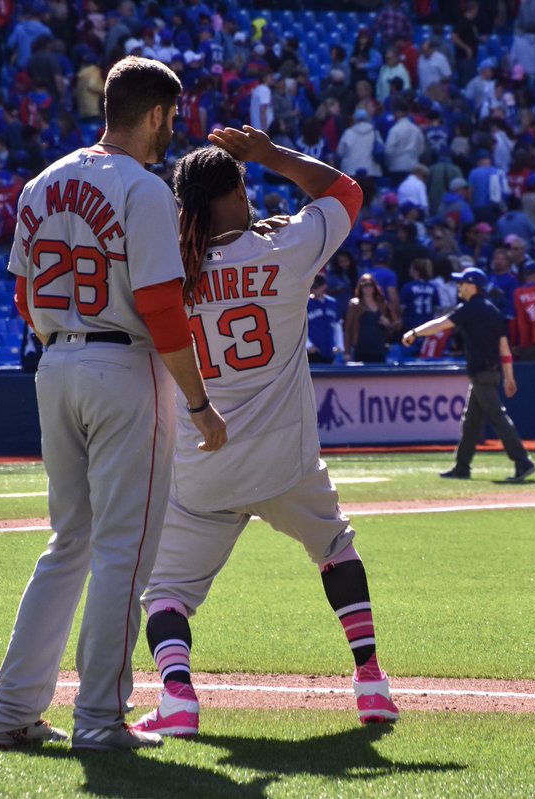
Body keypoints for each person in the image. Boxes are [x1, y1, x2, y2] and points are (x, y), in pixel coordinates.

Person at [0, 56, 227, 754]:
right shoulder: (144, 190)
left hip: (56, 362)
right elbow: (159, 305)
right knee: (124, 551)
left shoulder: (40, 182)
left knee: (69, 543)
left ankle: (10, 710)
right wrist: (200, 404)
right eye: (170, 119)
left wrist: (69, 347)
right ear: (153, 114)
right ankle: (98, 719)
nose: (171, 131)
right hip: (124, 363)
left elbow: (25, 298)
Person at [131, 126, 399, 738]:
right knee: (335, 550)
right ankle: (372, 685)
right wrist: (272, 155)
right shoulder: (285, 247)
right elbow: (346, 193)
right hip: (286, 461)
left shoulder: (167, 269)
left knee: (166, 592)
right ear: (237, 188)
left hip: (205, 461)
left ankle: (179, 701)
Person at [402, 266, 535, 483]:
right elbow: (505, 349)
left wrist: (414, 333)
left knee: (498, 417)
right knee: (471, 422)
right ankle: (462, 466)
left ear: (472, 285)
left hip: (482, 373)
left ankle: (523, 461)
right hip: (489, 373)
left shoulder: (471, 307)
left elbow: (441, 324)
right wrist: (509, 377)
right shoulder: (493, 310)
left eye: (462, 282)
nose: (458, 286)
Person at [344, 273, 398, 363]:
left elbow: (395, 326)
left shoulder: (382, 304)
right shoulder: (354, 304)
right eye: (365, 285)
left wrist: (387, 323)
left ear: (375, 286)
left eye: (370, 285)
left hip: (379, 348)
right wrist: (347, 352)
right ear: (360, 287)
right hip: (361, 349)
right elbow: (348, 328)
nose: (368, 288)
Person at [306, 273, 344, 364]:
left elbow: (337, 324)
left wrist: (339, 345)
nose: (313, 290)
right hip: (312, 350)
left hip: (329, 349)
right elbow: (299, 327)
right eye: (312, 287)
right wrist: (308, 345)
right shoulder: (306, 303)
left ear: (324, 286)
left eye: (316, 287)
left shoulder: (332, 302)